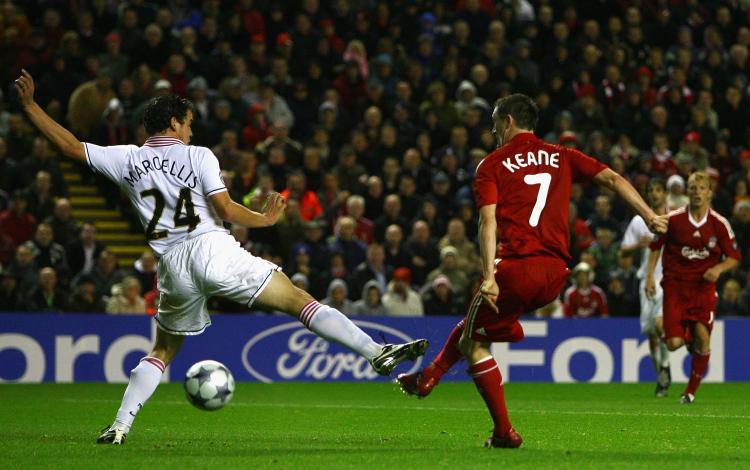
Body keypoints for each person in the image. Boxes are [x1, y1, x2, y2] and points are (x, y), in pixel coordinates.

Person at [14, 70, 428, 445]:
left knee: (162, 350)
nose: (192, 131)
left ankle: (120, 425)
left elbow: (70, 146)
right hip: (212, 248)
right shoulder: (199, 156)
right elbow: (226, 210)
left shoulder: (126, 158)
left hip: (172, 266)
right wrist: (265, 220)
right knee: (299, 301)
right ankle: (375, 352)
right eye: (189, 123)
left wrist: (31, 106)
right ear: (175, 123)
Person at [397, 94, 667, 448]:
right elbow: (614, 179)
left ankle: (504, 431)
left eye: (495, 123)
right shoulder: (563, 155)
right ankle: (431, 376)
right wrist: (649, 215)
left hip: (515, 268)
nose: (493, 130)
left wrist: (490, 276)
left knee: (475, 344)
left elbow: (487, 221)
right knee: (475, 326)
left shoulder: (491, 164)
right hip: (555, 273)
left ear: (507, 121)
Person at [645, 171, 741, 404]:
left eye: (701, 188)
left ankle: (689, 392)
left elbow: (734, 256)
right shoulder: (674, 219)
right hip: (675, 288)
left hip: (703, 289)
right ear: (687, 192)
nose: (697, 192)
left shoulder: (719, 224)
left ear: (710, 192)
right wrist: (649, 275)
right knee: (673, 343)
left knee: (703, 337)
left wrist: (718, 269)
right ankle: (687, 339)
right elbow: (656, 245)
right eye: (692, 187)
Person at [621, 178, 671, 397]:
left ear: (665, 193)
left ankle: (666, 368)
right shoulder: (638, 222)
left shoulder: (674, 219)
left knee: (661, 327)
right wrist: (638, 244)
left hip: (669, 279)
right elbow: (622, 251)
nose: (654, 193)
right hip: (646, 281)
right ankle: (661, 375)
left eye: (658, 189)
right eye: (651, 190)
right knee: (652, 334)